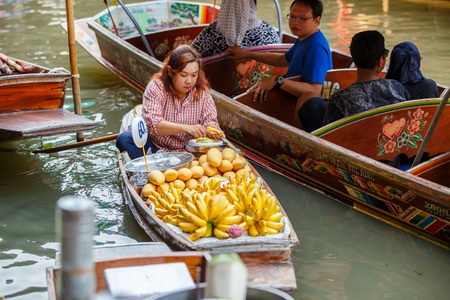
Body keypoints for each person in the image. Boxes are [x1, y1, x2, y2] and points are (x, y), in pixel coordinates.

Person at [226, 0, 332, 130]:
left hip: (296, 108)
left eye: (302, 18)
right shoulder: (304, 38)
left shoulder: (316, 47)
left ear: (316, 20)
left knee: (234, 105)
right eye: (292, 16)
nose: (295, 22)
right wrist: (247, 54)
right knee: (233, 100)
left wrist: (277, 81)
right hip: (286, 97)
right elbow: (283, 59)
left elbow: (314, 90)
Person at [116, 45, 222, 159]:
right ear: (171, 72)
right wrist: (187, 128)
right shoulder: (156, 87)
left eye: (194, 75)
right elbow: (152, 125)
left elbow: (210, 120)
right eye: (183, 75)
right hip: (155, 148)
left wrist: (213, 129)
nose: (189, 81)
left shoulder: (202, 92)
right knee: (124, 139)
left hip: (189, 151)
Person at [321, 31, 410, 126]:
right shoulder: (396, 87)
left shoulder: (340, 99)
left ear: (354, 59)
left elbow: (326, 134)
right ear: (381, 61)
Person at [190, 0, 280, 58]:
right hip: (263, 85)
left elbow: (191, 55)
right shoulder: (268, 30)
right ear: (254, 8)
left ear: (225, 7)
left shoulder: (214, 31)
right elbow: (279, 54)